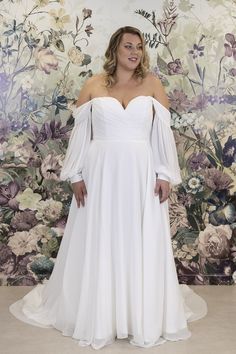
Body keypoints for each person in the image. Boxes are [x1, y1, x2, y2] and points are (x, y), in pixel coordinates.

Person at [9, 26, 207, 350]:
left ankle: (137, 313)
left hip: (141, 173)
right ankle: (100, 314)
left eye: (139, 47)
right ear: (115, 49)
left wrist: (164, 173)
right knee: (103, 235)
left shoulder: (153, 84)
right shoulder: (93, 85)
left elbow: (163, 136)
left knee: (137, 236)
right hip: (101, 172)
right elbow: (80, 135)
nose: (134, 52)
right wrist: (74, 174)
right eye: (128, 46)